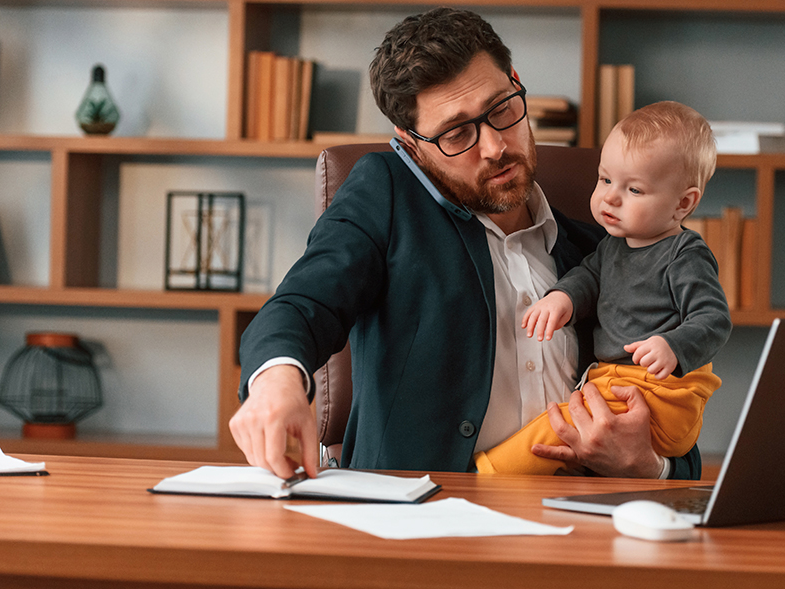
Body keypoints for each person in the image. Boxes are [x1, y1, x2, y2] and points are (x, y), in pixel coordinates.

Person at [230, 7, 706, 481]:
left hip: (576, 521)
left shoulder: (604, 246)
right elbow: (306, 300)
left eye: (502, 109)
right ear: (411, 143)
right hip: (427, 513)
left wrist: (648, 465)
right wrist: (276, 380)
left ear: (517, 81)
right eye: (457, 133)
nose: (495, 146)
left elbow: (675, 419)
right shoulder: (388, 196)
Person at [473, 101, 731, 476]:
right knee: (574, 436)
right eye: (605, 180)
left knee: (559, 424)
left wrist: (672, 344)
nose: (610, 197)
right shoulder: (613, 246)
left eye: (634, 190)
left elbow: (714, 319)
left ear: (683, 204)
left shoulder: (684, 254)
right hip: (617, 381)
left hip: (661, 394)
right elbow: (587, 278)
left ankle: (487, 475)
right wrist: (562, 298)